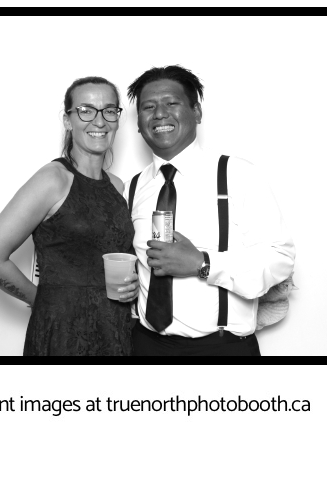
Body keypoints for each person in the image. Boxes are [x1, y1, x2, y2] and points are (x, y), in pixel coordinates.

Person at [125, 64, 294, 358]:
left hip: (222, 349)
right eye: (148, 107)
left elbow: (280, 259)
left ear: (197, 112)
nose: (160, 113)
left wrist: (202, 263)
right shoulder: (133, 187)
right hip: (145, 346)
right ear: (139, 123)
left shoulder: (238, 175)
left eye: (172, 103)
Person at [0, 76, 137, 358]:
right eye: (86, 110)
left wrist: (131, 285)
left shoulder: (117, 186)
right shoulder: (53, 179)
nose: (99, 121)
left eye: (109, 110)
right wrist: (41, 300)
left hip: (115, 330)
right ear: (67, 120)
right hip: (62, 333)